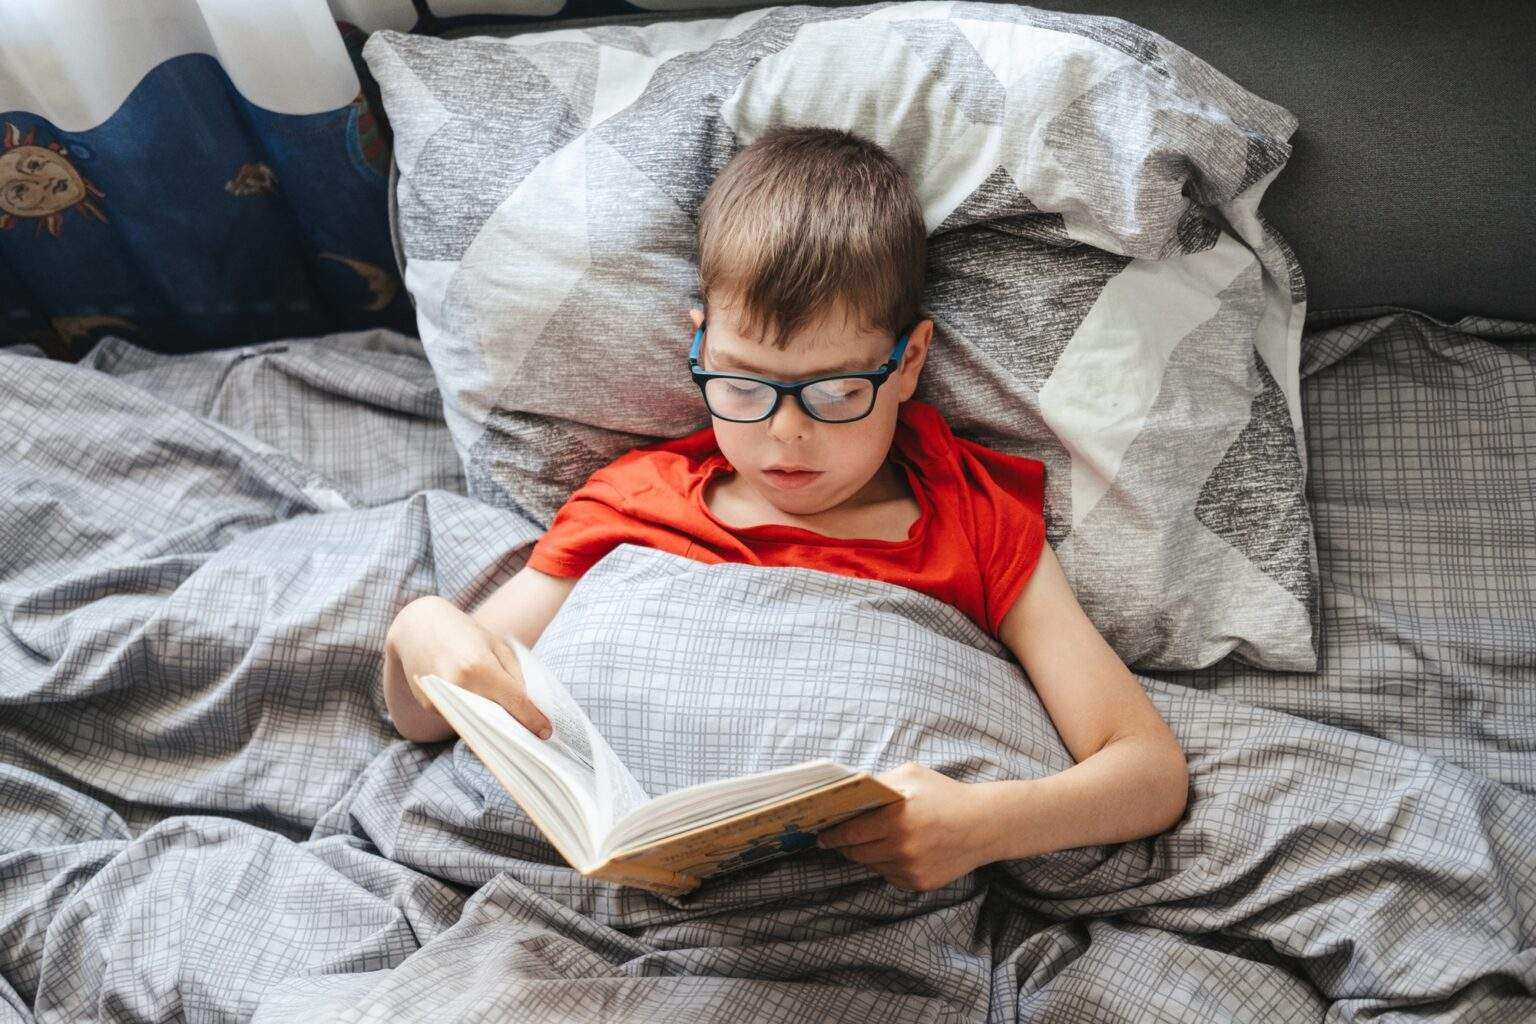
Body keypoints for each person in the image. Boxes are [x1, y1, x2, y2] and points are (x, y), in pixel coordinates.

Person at [382, 126, 1189, 893]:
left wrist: (982, 824)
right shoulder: (636, 499)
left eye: (838, 391)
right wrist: (419, 630)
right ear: (699, 346)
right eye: (741, 384)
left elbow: (1146, 773)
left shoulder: (970, 522)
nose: (785, 436)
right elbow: (431, 719)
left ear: (908, 363)